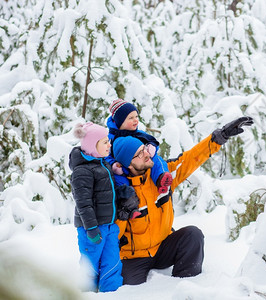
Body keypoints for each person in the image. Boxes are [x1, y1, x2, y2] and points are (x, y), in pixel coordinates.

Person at [112, 116, 254, 285]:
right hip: (133, 256)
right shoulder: (118, 192)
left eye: (144, 149)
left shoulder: (160, 176)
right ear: (128, 164)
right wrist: (122, 214)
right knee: (129, 292)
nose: (146, 155)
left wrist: (219, 137)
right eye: (139, 154)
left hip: (163, 246)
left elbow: (189, 159)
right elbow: (113, 237)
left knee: (193, 235)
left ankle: (185, 287)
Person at [69, 122, 123, 292]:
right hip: (91, 229)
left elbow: (109, 191)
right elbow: (83, 203)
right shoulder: (82, 171)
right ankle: (86, 294)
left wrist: (124, 192)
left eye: (108, 141)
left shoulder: (103, 165)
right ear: (93, 145)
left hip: (109, 225)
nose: (109, 144)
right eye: (105, 142)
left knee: (112, 262)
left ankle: (112, 293)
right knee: (90, 267)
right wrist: (91, 228)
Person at [106, 99, 173, 197]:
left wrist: (151, 147)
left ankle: (161, 178)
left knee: (156, 159)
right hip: (124, 168)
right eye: (131, 118)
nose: (135, 120)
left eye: (136, 116)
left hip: (141, 162)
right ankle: (125, 198)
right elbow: (105, 154)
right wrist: (113, 164)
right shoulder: (111, 138)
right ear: (120, 122)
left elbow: (152, 140)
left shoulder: (138, 133)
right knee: (117, 178)